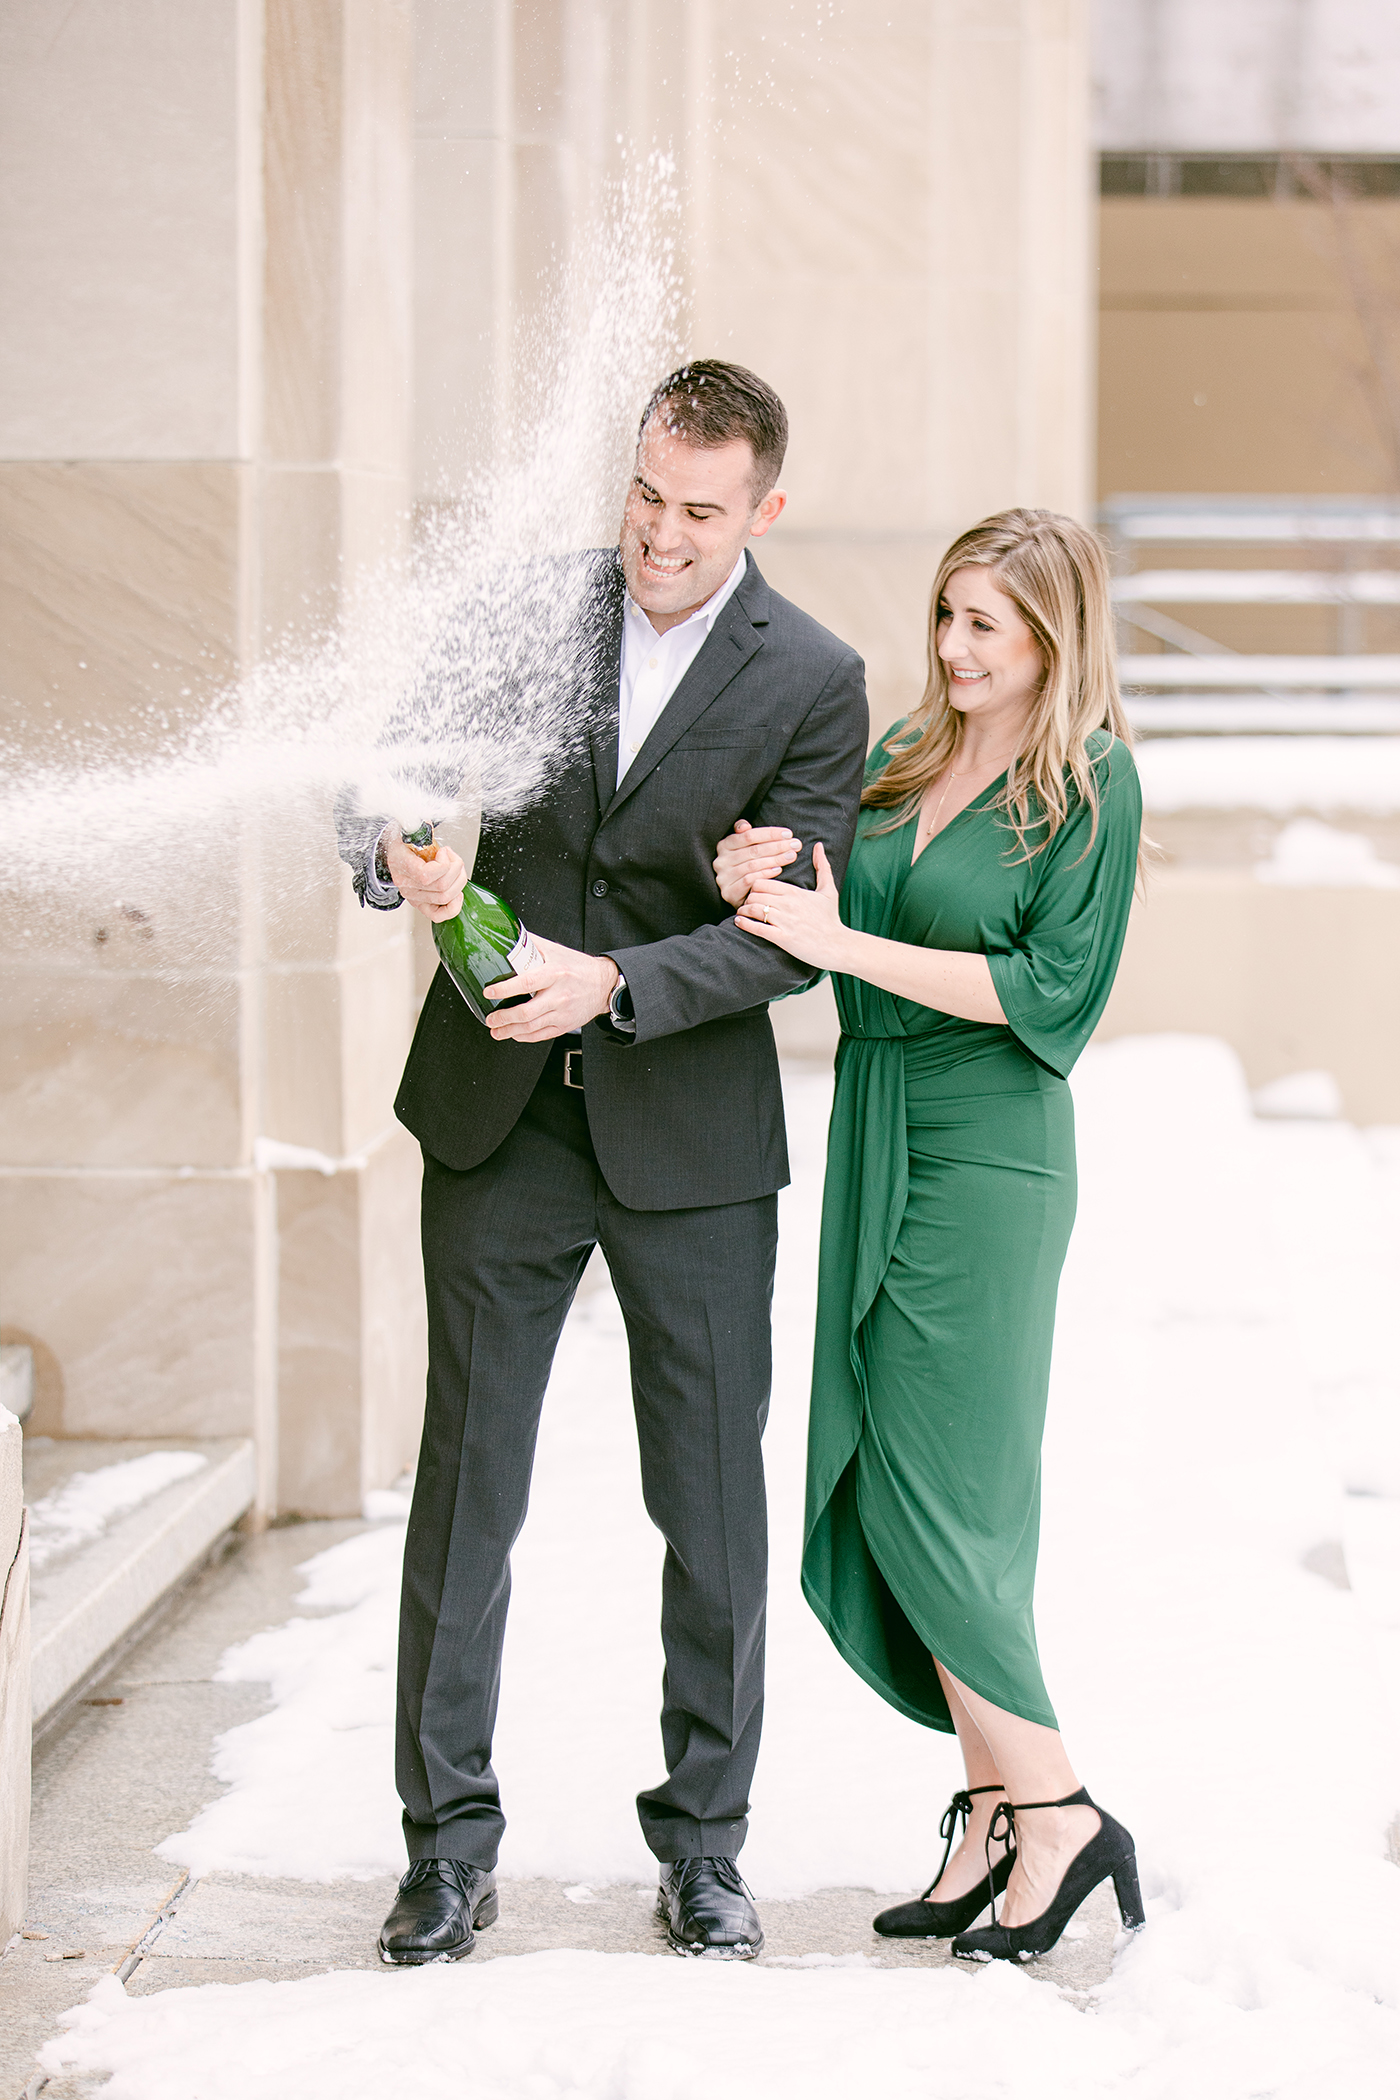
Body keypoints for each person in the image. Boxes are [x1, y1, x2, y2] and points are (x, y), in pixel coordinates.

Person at [338, 361, 868, 1965]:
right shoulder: (525, 610)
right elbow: (390, 785)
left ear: (762, 509)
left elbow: (796, 946)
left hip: (693, 1141)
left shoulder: (817, 679)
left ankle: (706, 1847)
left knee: (708, 1509)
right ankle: (445, 1848)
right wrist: (396, 852)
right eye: (645, 496)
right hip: (498, 1124)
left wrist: (621, 982)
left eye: (700, 511)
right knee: (466, 1491)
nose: (659, 534)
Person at [711, 508, 1147, 1962]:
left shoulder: (1092, 782)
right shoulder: (907, 753)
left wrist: (845, 951)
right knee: (883, 1472)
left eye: (989, 626)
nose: (955, 648)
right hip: (878, 1124)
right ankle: (988, 1807)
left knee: (942, 1493)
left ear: (1052, 637)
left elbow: (1049, 994)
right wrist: (782, 885)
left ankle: (1063, 1808)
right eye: (948, 615)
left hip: (990, 1150)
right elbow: (840, 912)